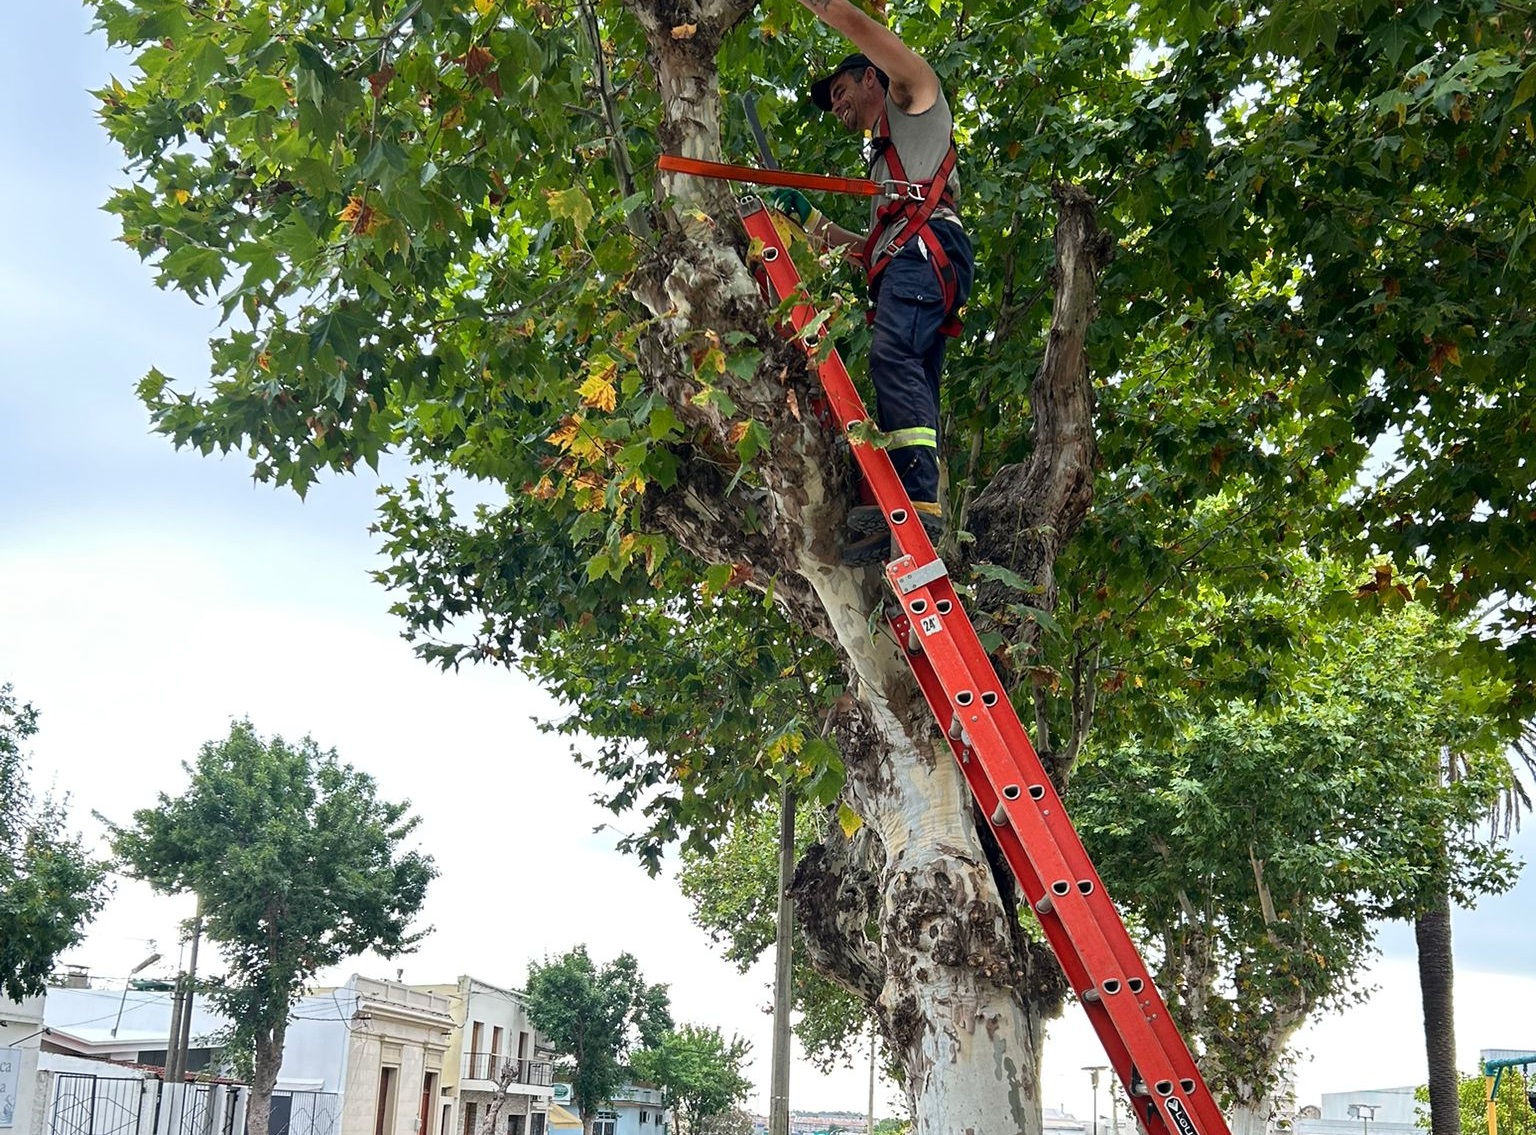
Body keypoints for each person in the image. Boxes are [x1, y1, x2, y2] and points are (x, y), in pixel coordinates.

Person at [768, 0, 974, 566]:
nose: (836, 105)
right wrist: (811, 221)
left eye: (840, 91)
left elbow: (861, 27)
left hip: (927, 254)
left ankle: (918, 506)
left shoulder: (915, 100)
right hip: (914, 261)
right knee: (911, 379)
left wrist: (831, 9)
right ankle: (912, 503)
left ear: (870, 78)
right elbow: (870, 251)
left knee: (893, 357)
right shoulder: (888, 162)